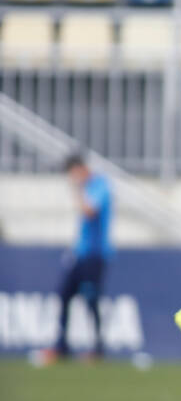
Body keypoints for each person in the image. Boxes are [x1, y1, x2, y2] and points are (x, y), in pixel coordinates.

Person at [45, 153, 113, 363]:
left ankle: (98, 348)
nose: (72, 177)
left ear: (80, 168)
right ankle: (61, 345)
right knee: (64, 295)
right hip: (80, 254)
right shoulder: (88, 188)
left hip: (96, 255)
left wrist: (77, 189)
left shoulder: (100, 186)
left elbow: (90, 211)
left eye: (73, 173)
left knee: (91, 300)